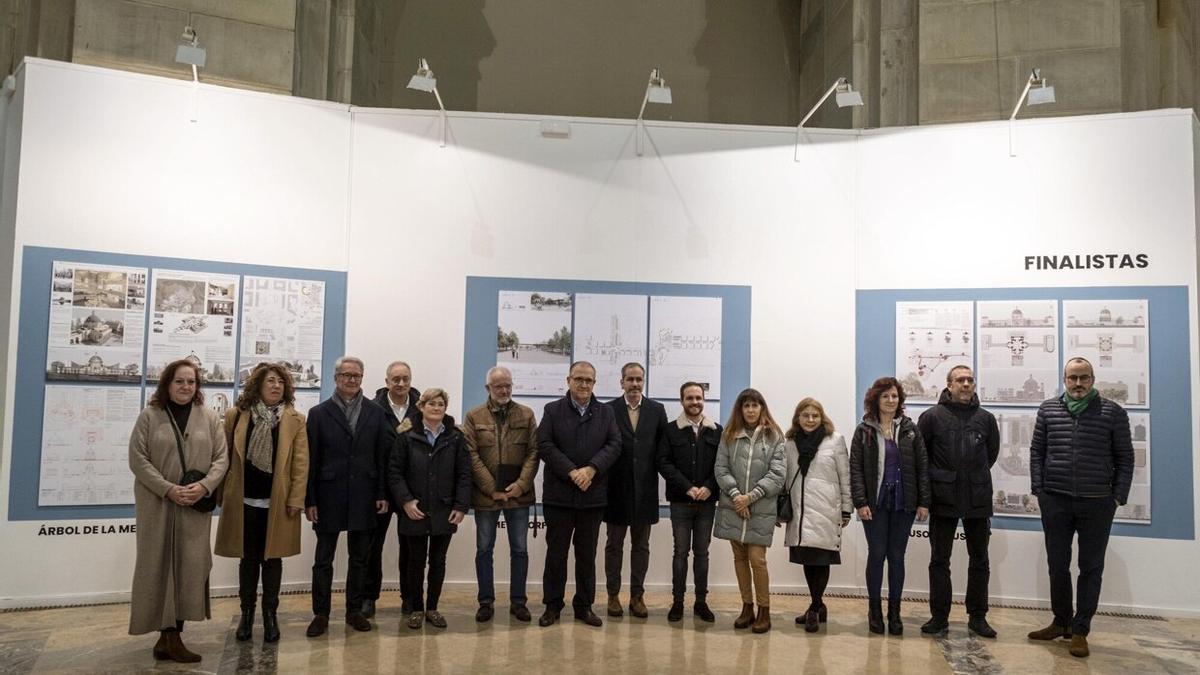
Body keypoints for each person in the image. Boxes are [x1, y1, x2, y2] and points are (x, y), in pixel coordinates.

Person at [1027, 357, 1134, 658]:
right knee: (1057, 565)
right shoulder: (1048, 409)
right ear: (1064, 379)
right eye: (1072, 378)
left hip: (1097, 503)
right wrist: (1040, 490)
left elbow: (1125, 458)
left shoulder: (1113, 412)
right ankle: (1061, 622)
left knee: (1090, 568)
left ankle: (1080, 630)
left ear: (1092, 379)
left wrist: (1117, 498)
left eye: (1083, 378)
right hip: (1056, 500)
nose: (1078, 384)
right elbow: (1037, 451)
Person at [128, 358, 229, 663]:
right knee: (157, 568)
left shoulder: (209, 418)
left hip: (193, 507)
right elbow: (137, 459)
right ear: (167, 384)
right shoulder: (150, 416)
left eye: (192, 382)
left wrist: (204, 487)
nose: (186, 387)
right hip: (157, 505)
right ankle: (167, 636)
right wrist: (167, 488)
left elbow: (221, 459)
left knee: (190, 568)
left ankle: (171, 636)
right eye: (179, 381)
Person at [215, 362, 309, 644]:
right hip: (242, 499)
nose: (276, 385)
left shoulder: (295, 419)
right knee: (248, 559)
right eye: (270, 380)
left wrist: (296, 499)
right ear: (257, 384)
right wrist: (221, 494)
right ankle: (246, 614)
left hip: (277, 503)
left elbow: (301, 464)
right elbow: (224, 455)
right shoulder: (237, 415)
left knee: (272, 560)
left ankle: (270, 615)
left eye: (281, 381)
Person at [304, 356, 394, 637]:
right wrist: (310, 500)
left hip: (365, 495)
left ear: (362, 378)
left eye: (356, 375)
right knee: (323, 560)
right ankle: (321, 613)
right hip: (328, 495)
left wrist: (381, 492)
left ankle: (354, 610)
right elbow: (311, 460)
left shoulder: (375, 412)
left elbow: (382, 457)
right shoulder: (318, 413)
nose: (351, 379)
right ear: (336, 378)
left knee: (360, 559)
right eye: (346, 375)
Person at [536, 361, 621, 628]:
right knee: (556, 554)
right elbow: (544, 445)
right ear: (568, 380)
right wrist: (572, 472)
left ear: (594, 383)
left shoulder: (606, 412)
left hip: (592, 497)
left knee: (587, 555)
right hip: (558, 496)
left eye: (589, 380)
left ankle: (584, 606)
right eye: (579, 379)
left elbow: (614, 443)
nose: (584, 384)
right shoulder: (552, 410)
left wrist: (592, 469)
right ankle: (552, 606)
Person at [917, 365, 1000, 638]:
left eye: (970, 380)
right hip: (943, 498)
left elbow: (991, 455)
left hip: (977, 498)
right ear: (949, 385)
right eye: (960, 380)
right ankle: (939, 617)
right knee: (939, 560)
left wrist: (972, 477)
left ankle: (978, 617)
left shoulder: (986, 419)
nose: (966, 384)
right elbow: (922, 458)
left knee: (980, 560)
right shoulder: (931, 418)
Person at [849, 376, 930, 636]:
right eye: (885, 396)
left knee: (896, 557)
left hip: (903, 503)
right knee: (877, 555)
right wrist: (860, 502)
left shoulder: (910, 429)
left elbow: (922, 468)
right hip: (876, 504)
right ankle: (874, 611)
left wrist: (923, 502)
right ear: (876, 399)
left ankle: (894, 613)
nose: (891, 400)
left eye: (895, 396)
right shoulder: (864, 431)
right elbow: (856, 470)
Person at [388, 388, 472, 629]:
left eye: (441, 404)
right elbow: (394, 472)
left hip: (445, 510)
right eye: (431, 404)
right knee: (415, 562)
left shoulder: (455, 437)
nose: (436, 408)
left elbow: (464, 474)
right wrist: (406, 501)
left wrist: (460, 506)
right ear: (421, 407)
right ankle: (415, 608)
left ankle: (432, 608)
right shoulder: (405, 435)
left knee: (438, 561)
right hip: (414, 510)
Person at [462, 366, 539, 623]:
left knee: (520, 550)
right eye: (498, 386)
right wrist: (491, 488)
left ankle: (519, 602)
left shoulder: (526, 415)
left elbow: (533, 452)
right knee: (484, 549)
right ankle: (486, 602)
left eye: (508, 385)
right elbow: (471, 455)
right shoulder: (473, 416)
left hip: (519, 495)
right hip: (486, 497)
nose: (504, 390)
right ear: (488, 389)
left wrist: (521, 484)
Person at [713, 388, 786, 634]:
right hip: (734, 507)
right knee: (739, 558)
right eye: (747, 406)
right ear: (740, 409)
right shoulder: (729, 434)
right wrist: (736, 497)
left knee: (758, 559)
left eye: (756, 405)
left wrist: (750, 498)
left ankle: (764, 610)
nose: (751, 410)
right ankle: (747, 608)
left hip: (760, 508)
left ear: (762, 408)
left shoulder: (774, 436)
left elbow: (778, 474)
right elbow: (721, 469)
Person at [781, 397, 852, 633]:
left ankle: (813, 608)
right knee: (808, 561)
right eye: (805, 415)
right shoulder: (789, 443)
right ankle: (819, 605)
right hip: (800, 513)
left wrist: (846, 508)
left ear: (822, 417)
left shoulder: (835, 440)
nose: (810, 420)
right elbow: (784, 477)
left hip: (826, 511)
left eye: (815, 415)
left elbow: (845, 476)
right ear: (797, 418)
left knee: (821, 561)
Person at [603, 362, 668, 619]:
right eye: (629, 379)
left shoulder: (656, 410)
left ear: (644, 381)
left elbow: (662, 450)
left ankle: (637, 597)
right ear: (621, 382)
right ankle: (612, 595)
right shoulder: (608, 410)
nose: (634, 384)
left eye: (639, 379)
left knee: (641, 547)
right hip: (615, 491)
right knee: (614, 546)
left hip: (645, 492)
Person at [657, 381, 722, 622]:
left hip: (707, 503)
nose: (694, 402)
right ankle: (677, 602)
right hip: (680, 502)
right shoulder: (670, 430)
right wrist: (687, 487)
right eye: (689, 398)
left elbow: (722, 465)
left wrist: (708, 487)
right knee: (680, 552)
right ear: (681, 400)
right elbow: (663, 462)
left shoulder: (717, 430)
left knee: (702, 553)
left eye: (698, 398)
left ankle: (701, 603)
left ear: (704, 399)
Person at [368, 360, 422, 617]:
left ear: (410, 380)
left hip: (410, 492)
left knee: (410, 548)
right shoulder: (372, 408)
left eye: (405, 379)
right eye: (396, 379)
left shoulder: (422, 409)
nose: (401, 384)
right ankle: (369, 598)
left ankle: (410, 598)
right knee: (372, 547)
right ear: (387, 381)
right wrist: (380, 491)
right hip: (380, 490)